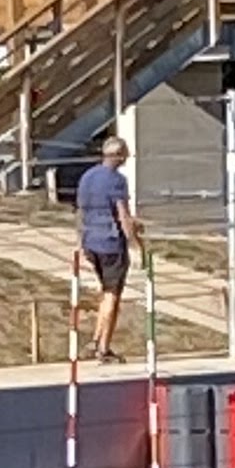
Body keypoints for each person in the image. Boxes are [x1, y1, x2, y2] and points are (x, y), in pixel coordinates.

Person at [73, 131, 140, 359]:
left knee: (105, 291)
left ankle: (96, 339)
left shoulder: (87, 177)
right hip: (111, 244)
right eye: (126, 154)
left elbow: (81, 211)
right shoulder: (117, 180)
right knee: (113, 294)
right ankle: (103, 348)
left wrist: (80, 241)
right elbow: (123, 216)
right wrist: (135, 244)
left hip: (90, 240)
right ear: (118, 155)